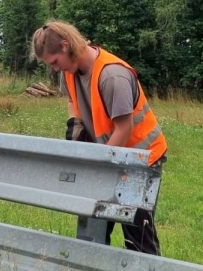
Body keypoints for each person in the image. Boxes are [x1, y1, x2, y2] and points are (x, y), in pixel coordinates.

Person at [31, 21, 167, 255]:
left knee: (137, 232)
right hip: (110, 154)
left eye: (54, 62)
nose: (54, 69)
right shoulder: (69, 72)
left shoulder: (113, 76)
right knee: (93, 223)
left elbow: (123, 128)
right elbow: (73, 102)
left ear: (65, 46)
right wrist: (75, 130)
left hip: (142, 159)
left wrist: (99, 166)